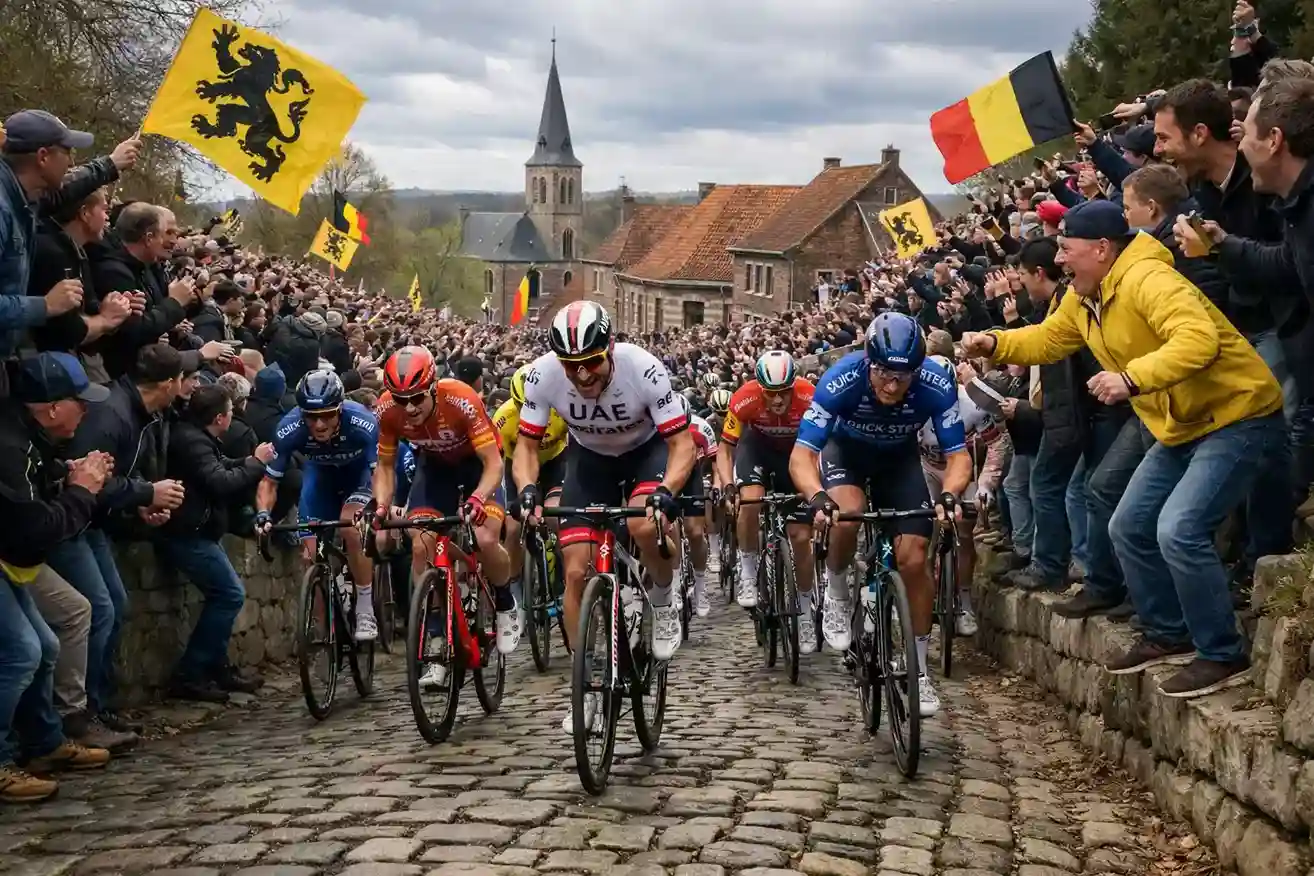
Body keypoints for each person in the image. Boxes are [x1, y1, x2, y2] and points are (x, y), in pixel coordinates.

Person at [960, 199, 1285, 698]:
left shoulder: (1150, 281)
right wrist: (996, 343)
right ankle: (1167, 632)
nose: (1061, 260)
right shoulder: (1084, 294)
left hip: (1236, 414)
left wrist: (1132, 380)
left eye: (1067, 249)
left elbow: (1199, 340)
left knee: (1179, 529)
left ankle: (1221, 652)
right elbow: (1049, 339)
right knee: (1128, 525)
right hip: (1180, 422)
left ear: (1102, 249)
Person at [512, 301, 695, 732]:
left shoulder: (643, 369)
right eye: (571, 365)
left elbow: (682, 444)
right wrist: (527, 489)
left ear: (609, 349)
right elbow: (526, 447)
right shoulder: (543, 375)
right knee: (575, 572)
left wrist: (668, 490)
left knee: (643, 523)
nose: (582, 374)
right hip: (590, 462)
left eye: (591, 362)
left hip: (644, 455)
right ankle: (587, 680)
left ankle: (665, 599)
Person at [789, 312, 971, 717]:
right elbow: (803, 454)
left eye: (903, 377)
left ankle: (919, 670)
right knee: (848, 513)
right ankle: (836, 587)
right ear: (869, 362)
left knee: (914, 558)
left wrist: (952, 494)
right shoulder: (841, 379)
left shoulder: (936, 385)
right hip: (846, 455)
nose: (892, 384)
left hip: (899, 461)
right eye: (884, 374)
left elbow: (958, 456)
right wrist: (818, 497)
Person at [0, 353, 116, 802]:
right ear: (50, 408)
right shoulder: (11, 446)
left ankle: (43, 744)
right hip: (10, 554)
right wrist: (81, 490)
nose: (86, 411)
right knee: (22, 651)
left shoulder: (29, 436)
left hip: (10, 556)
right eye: (79, 402)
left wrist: (67, 475)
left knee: (45, 645)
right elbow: (36, 529)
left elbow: (34, 490)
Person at [371, 346, 519, 675]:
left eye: (417, 397)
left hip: (478, 465)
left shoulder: (461, 398)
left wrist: (479, 498)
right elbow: (384, 466)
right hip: (435, 469)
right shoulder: (386, 410)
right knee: (422, 544)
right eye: (400, 398)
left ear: (434, 387)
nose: (408, 407)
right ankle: (437, 634)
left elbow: (493, 463)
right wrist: (381, 505)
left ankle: (506, 600)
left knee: (484, 538)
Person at [162, 384, 276, 701]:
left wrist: (250, 461)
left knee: (225, 595)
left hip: (200, 530)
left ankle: (216, 666)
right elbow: (219, 480)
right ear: (220, 418)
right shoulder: (193, 441)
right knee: (229, 595)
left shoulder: (199, 438)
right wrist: (255, 463)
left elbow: (222, 464)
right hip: (188, 533)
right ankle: (192, 672)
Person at [255, 369, 378, 642]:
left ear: (341, 410)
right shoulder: (289, 428)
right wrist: (263, 514)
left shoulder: (362, 421)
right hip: (320, 478)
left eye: (328, 415)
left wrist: (379, 509)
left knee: (350, 529)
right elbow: (269, 483)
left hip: (358, 477)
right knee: (311, 554)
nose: (319, 425)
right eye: (311, 417)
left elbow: (380, 474)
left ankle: (366, 608)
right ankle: (325, 629)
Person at [716, 351, 819, 651]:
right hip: (757, 452)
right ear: (760, 388)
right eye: (771, 394)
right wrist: (727, 484)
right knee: (750, 502)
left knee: (801, 538)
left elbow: (823, 446)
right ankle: (747, 571)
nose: (777, 401)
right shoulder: (744, 399)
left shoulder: (809, 397)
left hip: (795, 456)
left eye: (783, 393)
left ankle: (804, 611)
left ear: (793, 386)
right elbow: (725, 449)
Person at [493, 364, 569, 616]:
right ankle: (515, 588)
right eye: (521, 407)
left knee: (555, 517)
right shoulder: (503, 419)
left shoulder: (561, 408)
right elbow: (495, 462)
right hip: (518, 464)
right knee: (513, 528)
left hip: (554, 462)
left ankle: (562, 579)